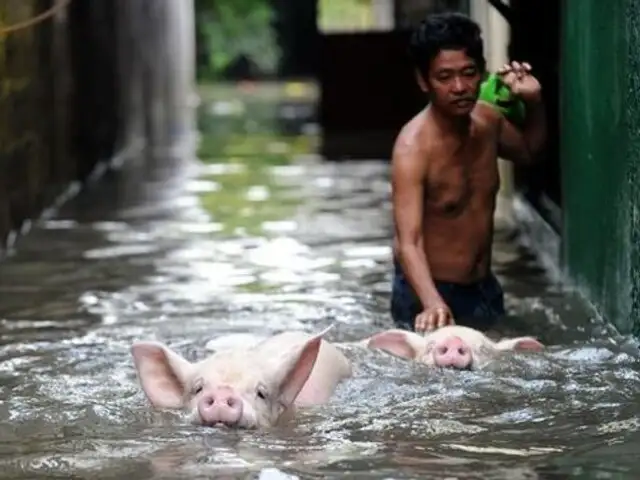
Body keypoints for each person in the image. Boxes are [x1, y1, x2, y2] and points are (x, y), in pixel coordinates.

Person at [390, 11, 547, 334]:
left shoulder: (489, 123)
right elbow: (408, 242)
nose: (460, 87)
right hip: (428, 293)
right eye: (445, 77)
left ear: (482, 72)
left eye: (468, 73)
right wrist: (432, 303)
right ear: (423, 81)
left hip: (483, 287)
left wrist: (533, 102)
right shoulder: (412, 148)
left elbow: (530, 152)